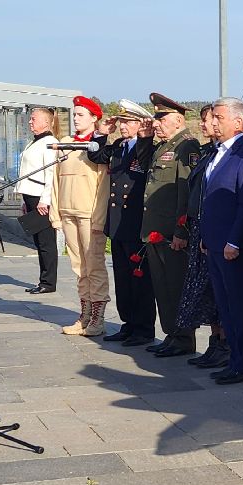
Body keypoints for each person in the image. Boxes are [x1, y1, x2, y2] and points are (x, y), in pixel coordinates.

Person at [198, 97, 243, 385]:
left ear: (238, 122)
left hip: (232, 247)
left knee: (238, 305)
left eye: (218, 117)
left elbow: (242, 203)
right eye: (212, 117)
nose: (212, 122)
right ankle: (234, 358)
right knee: (224, 305)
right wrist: (205, 237)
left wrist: (234, 242)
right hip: (214, 243)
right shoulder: (216, 152)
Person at [142, 93, 202, 358]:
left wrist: (181, 231)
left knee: (176, 286)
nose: (157, 123)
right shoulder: (164, 145)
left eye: (162, 118)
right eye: (156, 117)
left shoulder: (186, 147)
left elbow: (185, 192)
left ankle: (183, 337)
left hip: (171, 232)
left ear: (178, 120)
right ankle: (171, 333)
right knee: (163, 287)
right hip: (156, 230)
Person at [91, 102, 157, 345]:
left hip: (136, 223)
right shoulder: (118, 146)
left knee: (140, 280)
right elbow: (96, 154)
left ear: (140, 124)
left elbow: (146, 162)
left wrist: (144, 139)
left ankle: (143, 328)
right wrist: (101, 133)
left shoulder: (145, 147)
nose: (122, 126)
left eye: (128, 122)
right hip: (118, 222)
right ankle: (128, 323)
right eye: (121, 122)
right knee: (123, 278)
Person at [52, 95, 111, 336]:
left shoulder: (97, 147)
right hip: (68, 212)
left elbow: (103, 186)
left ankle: (97, 318)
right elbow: (55, 180)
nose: (75, 119)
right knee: (78, 267)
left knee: (94, 265)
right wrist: (55, 213)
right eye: (74, 114)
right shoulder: (65, 143)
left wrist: (98, 219)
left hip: (89, 214)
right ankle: (84, 314)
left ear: (94, 118)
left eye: (80, 115)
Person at [180, 104, 227, 368]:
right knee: (207, 293)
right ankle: (215, 341)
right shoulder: (208, 152)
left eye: (209, 120)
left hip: (214, 230)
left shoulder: (222, 154)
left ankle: (225, 344)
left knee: (216, 292)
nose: (205, 125)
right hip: (201, 227)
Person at [18, 106, 61, 294]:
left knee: (46, 242)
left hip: (40, 197)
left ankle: (48, 283)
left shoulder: (50, 142)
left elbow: (52, 173)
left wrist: (46, 199)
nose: (30, 121)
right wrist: (23, 199)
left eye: (34, 119)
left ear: (46, 122)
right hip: (30, 195)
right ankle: (43, 280)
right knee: (39, 241)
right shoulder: (34, 141)